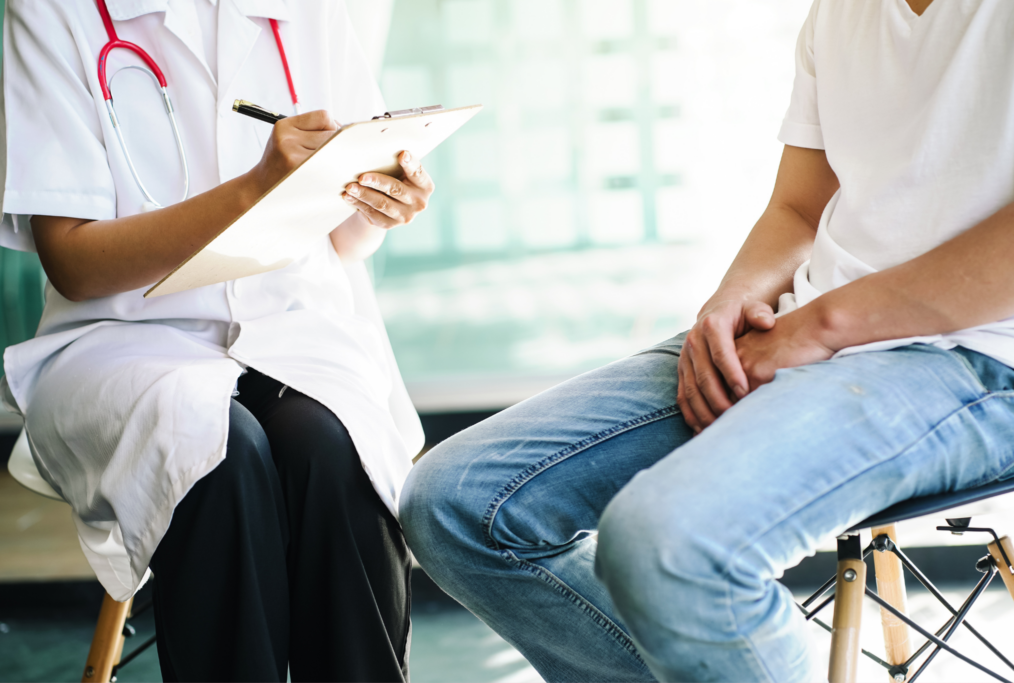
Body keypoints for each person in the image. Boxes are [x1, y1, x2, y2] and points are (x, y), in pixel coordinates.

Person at [399, 0, 1014, 680]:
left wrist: (819, 326)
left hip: (977, 357)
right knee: (457, 501)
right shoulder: (840, 11)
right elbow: (799, 207)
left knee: (672, 544)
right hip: (808, 327)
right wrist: (732, 301)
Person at [0, 0, 433, 680]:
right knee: (216, 452)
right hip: (123, 340)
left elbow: (349, 239)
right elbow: (74, 264)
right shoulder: (57, 10)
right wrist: (254, 188)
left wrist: (383, 198)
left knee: (331, 448)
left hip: (292, 327)